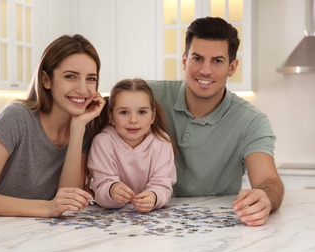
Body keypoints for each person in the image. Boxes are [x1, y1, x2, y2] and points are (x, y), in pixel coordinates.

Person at [147, 17, 284, 226]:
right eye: (197, 58)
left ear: (232, 67)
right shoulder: (147, 97)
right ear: (185, 61)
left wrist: (265, 197)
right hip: (146, 223)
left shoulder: (252, 121)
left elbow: (269, 181)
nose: (205, 70)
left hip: (215, 228)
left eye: (217, 61)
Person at [0, 34, 106, 217]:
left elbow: (68, 204)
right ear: (46, 80)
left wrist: (77, 129)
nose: (83, 89)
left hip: (39, 235)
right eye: (71, 76)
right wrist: (47, 208)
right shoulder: (17, 118)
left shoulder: (85, 127)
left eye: (91, 79)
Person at [87, 78, 176, 213]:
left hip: (150, 220)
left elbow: (163, 185)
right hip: (113, 220)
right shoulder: (102, 143)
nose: (133, 120)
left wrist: (154, 196)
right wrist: (112, 190)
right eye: (124, 112)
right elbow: (101, 185)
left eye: (142, 112)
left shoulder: (162, 143)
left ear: (152, 116)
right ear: (111, 116)